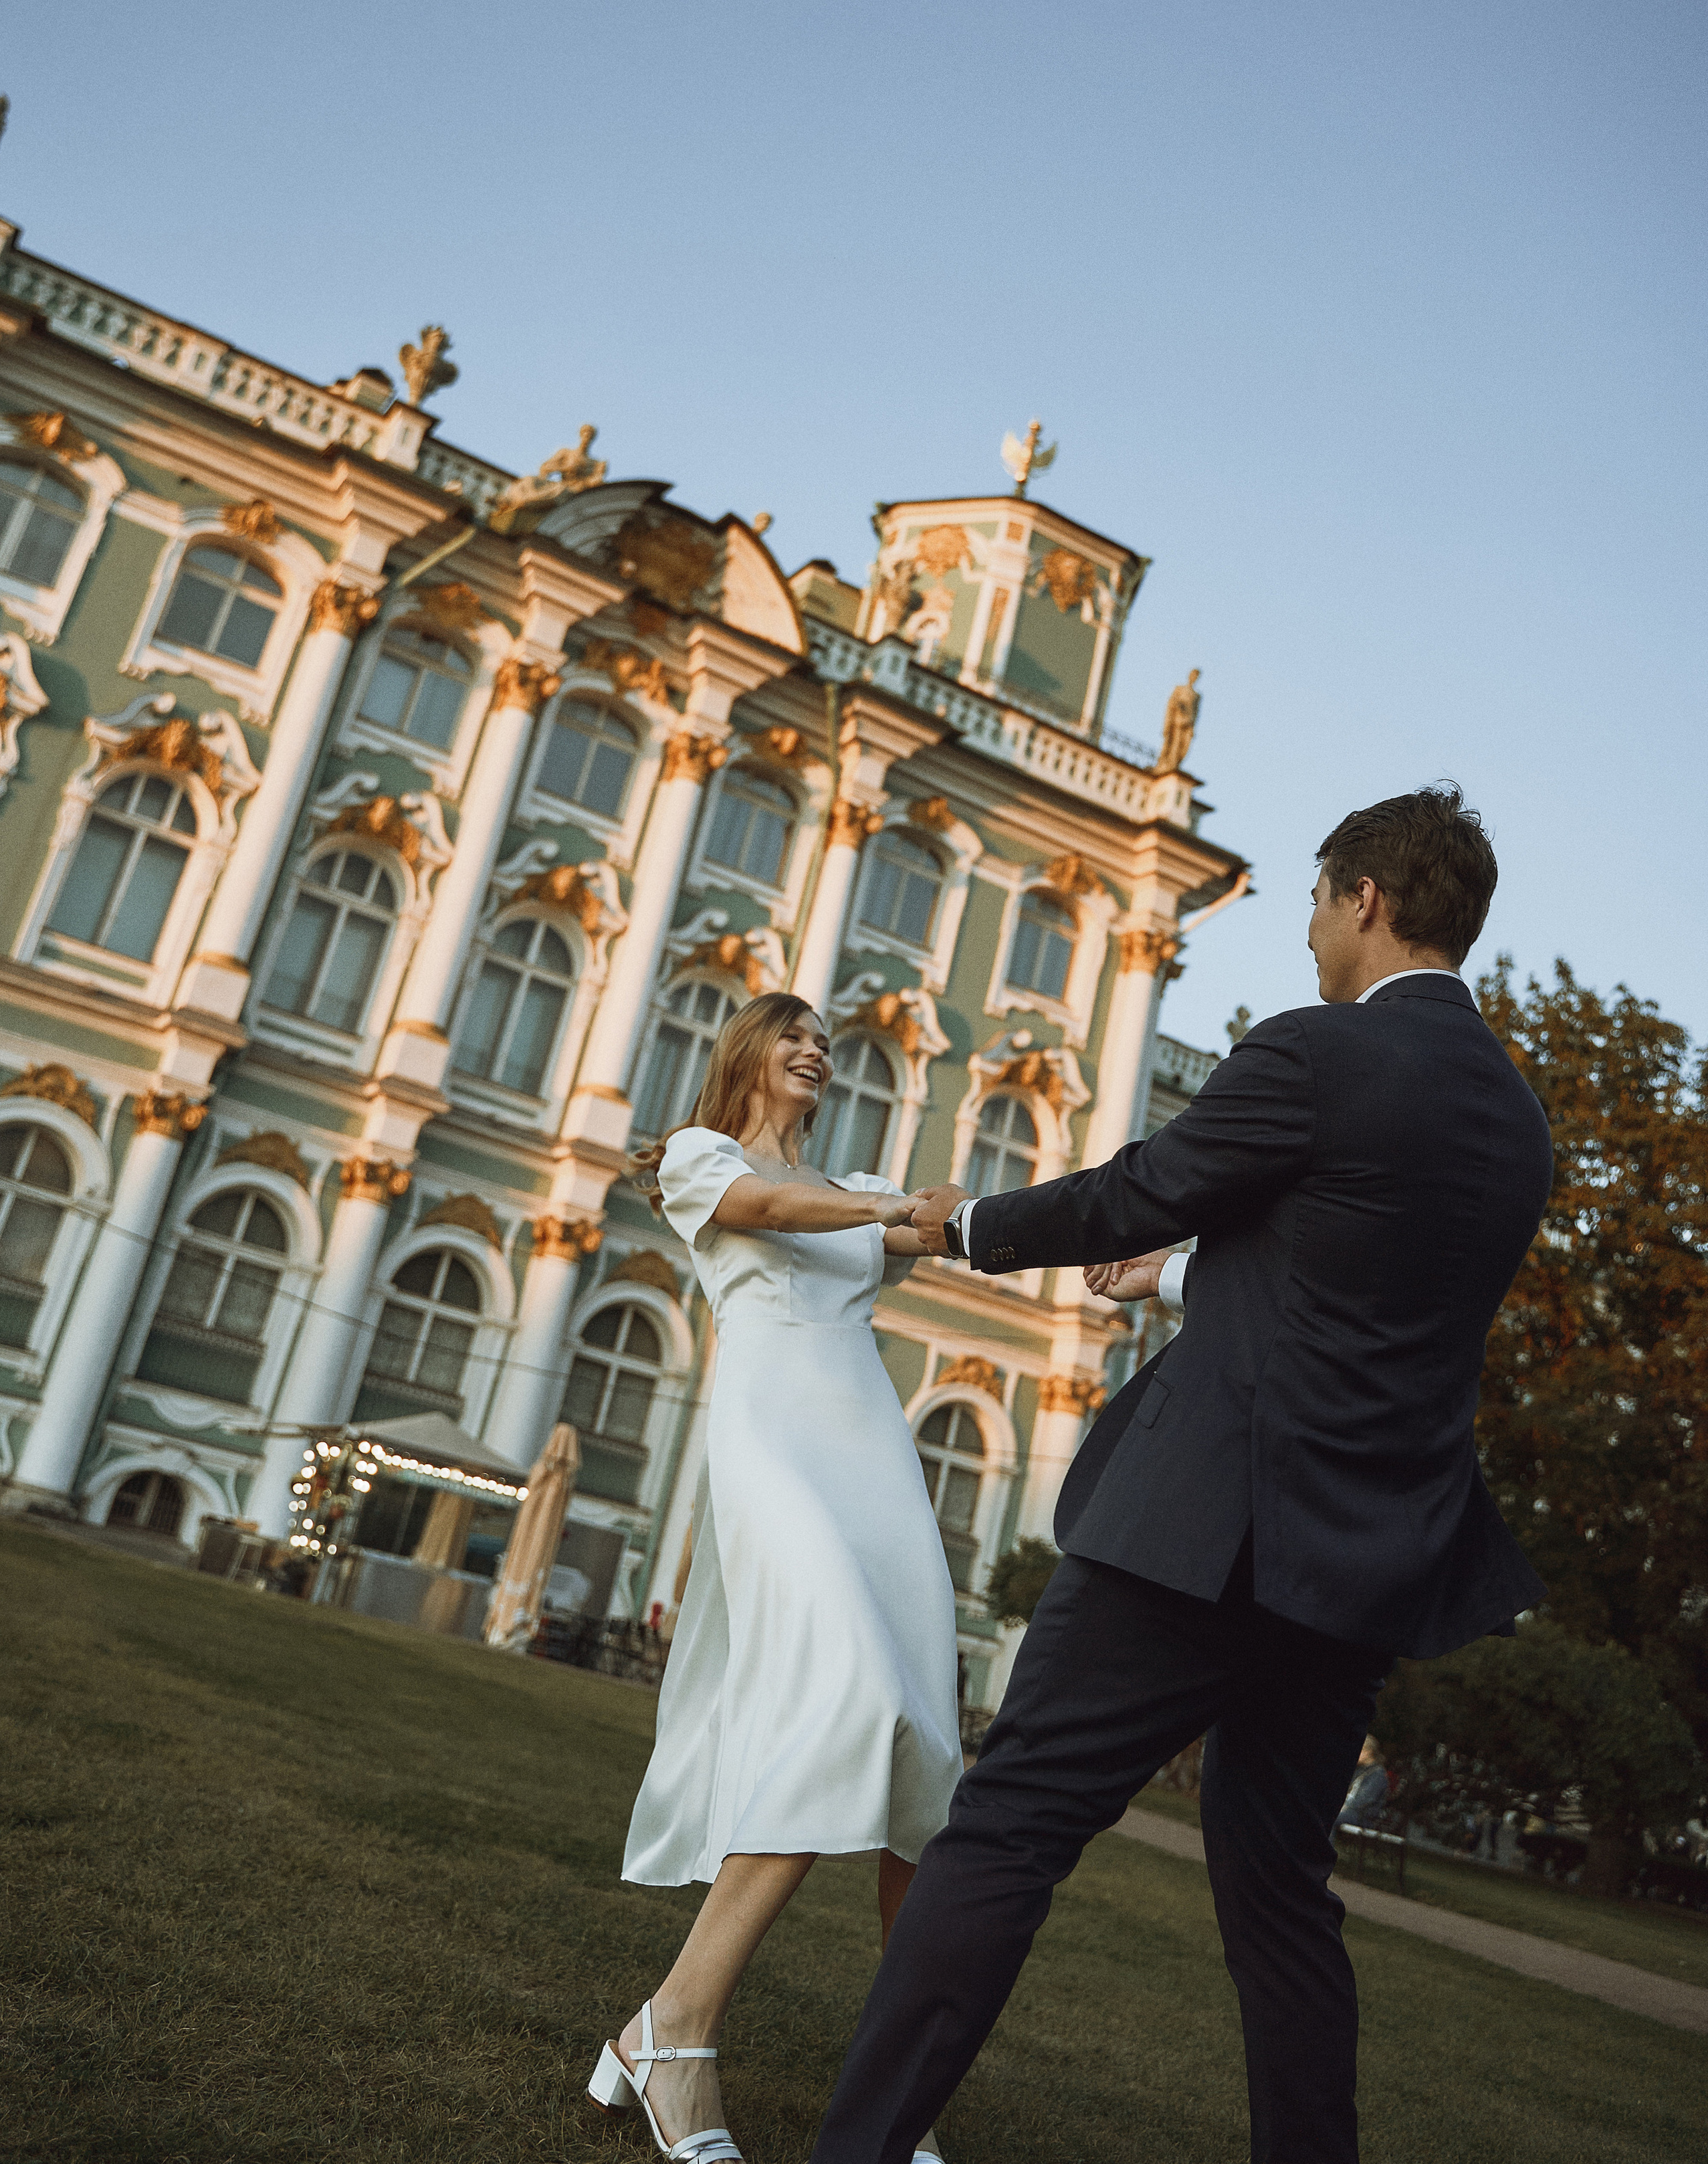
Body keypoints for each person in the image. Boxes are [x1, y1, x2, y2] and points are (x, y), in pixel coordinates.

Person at [811, 785, 1554, 2164]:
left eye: (1319, 903)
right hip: (1358, 1570)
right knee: (1280, 1901)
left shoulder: (1317, 1052)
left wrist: (955, 1223)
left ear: (1367, 900)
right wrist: (1199, 1266)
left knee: (1008, 1831)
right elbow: (1354, 1277)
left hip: (1194, 1537)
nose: (1312, 932)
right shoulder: (1518, 1125)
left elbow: (1132, 1187)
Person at [590, 991, 961, 2164]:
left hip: (874, 1460)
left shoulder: (851, 1187)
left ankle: (899, 2100)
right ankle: (676, 2031)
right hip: (773, 1445)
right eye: (793, 1034)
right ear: (747, 1053)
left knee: (933, 1762)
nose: (814, 1050)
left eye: (826, 1044)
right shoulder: (702, 1160)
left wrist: (1097, 1231)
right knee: (850, 1700)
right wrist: (895, 1203)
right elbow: (775, 1206)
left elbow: (942, 1234)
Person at [1335, 1737, 1390, 1832]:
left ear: (1368, 1752)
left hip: (1363, 1817)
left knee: (1330, 1817)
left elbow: (1365, 1800)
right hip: (1349, 1812)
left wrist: (1343, 1808)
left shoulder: (1378, 1774)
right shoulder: (1360, 1770)